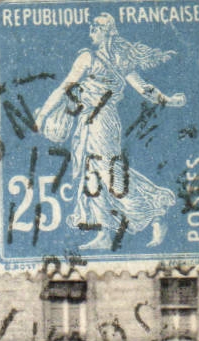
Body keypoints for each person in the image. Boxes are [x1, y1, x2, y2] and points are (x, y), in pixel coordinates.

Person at [33, 13, 185, 250]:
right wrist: (42, 114)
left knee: (107, 172)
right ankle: (104, 233)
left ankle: (155, 214)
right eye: (91, 27)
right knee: (89, 173)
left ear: (108, 31)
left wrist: (168, 100)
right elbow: (65, 87)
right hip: (85, 121)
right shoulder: (87, 56)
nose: (91, 31)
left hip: (103, 120)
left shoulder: (113, 59)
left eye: (96, 27)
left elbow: (143, 88)